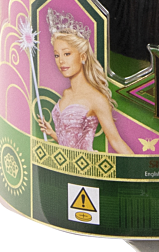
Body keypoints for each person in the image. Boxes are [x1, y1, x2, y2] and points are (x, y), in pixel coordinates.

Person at [37, 13, 133, 154]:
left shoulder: (97, 99)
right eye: (57, 55)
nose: (61, 61)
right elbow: (69, 145)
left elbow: (116, 141)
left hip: (86, 165)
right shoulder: (66, 93)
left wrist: (138, 165)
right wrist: (51, 133)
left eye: (67, 54)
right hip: (66, 164)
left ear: (82, 56)